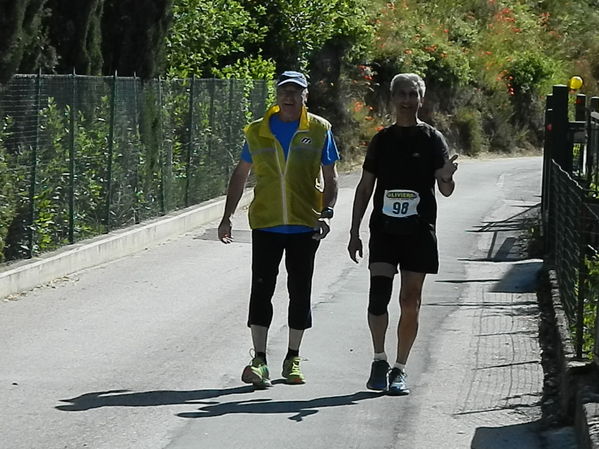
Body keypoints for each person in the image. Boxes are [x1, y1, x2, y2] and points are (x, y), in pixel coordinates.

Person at [218, 70, 339, 388]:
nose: (289, 96)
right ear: (277, 95)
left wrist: (326, 211)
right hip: (267, 223)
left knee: (300, 293)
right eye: (284, 91)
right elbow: (242, 172)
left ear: (305, 96)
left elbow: (331, 174)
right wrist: (227, 215)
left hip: (304, 224)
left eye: (295, 91)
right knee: (261, 291)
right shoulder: (257, 131)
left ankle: (293, 358)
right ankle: (259, 359)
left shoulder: (320, 129)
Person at [347, 73, 458, 395]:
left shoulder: (432, 139)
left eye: (413, 94)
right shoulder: (382, 140)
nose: (408, 100)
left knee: (410, 301)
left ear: (421, 99)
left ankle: (399, 369)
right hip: (384, 230)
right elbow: (365, 187)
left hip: (419, 231)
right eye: (402, 95)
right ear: (393, 99)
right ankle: (379, 359)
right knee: (378, 297)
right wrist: (354, 231)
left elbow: (445, 189)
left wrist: (447, 177)